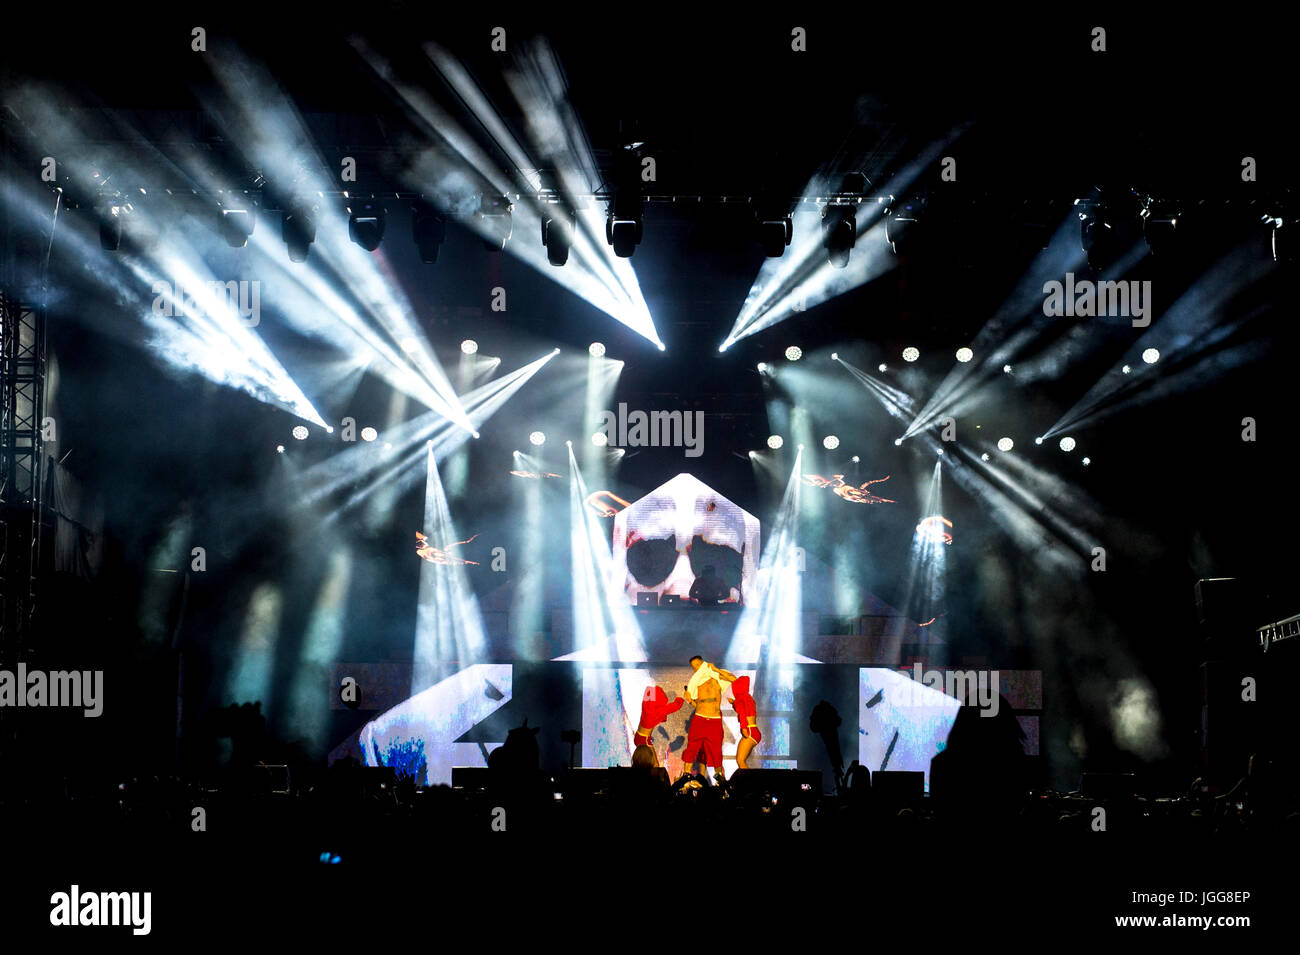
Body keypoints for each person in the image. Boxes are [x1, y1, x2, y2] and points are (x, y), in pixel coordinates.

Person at [680, 656, 736, 785]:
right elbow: (692, 698)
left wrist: (716, 669)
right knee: (692, 748)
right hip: (700, 717)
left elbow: (734, 679)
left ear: (703, 663)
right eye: (694, 668)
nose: (696, 669)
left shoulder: (716, 676)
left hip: (714, 720)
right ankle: (685, 779)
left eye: (698, 665)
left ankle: (720, 782)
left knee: (716, 751)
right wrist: (689, 698)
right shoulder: (695, 682)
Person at [633, 684, 683, 752]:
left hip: (637, 736)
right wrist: (681, 697)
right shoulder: (655, 713)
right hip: (644, 740)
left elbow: (648, 693)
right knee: (654, 762)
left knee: (641, 760)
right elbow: (674, 707)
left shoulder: (645, 707)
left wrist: (652, 690)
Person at [729, 675, 761, 769]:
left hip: (749, 730)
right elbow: (744, 709)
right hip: (754, 729)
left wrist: (743, 727)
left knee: (740, 760)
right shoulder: (748, 697)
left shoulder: (741, 698)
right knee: (741, 760)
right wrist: (734, 703)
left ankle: (750, 783)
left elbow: (742, 713)